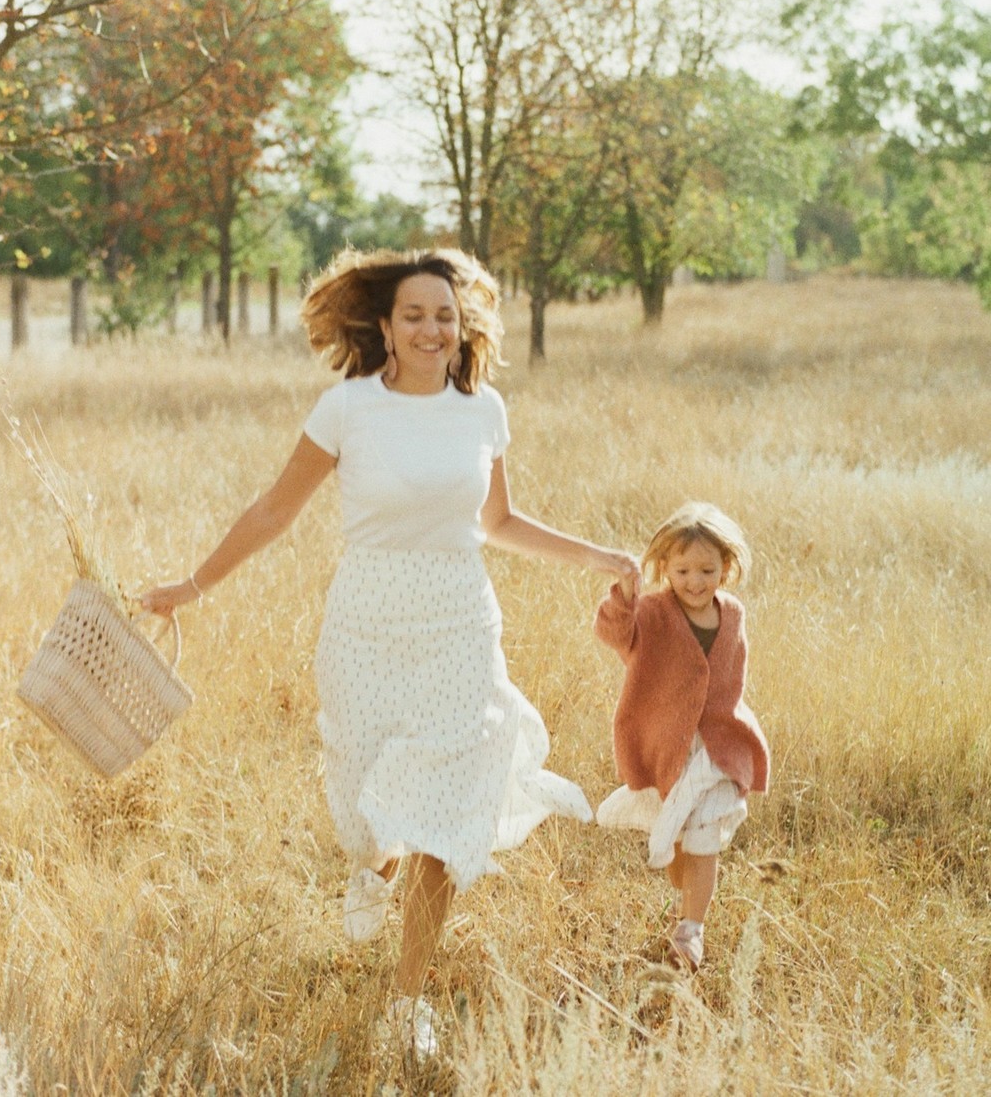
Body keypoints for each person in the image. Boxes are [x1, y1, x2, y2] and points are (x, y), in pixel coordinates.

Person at [140, 246, 640, 1060]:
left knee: (441, 807)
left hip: (458, 621)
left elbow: (499, 522)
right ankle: (373, 863)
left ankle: (407, 1001)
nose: (431, 328)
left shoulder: (483, 411)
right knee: (363, 808)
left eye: (444, 314)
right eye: (414, 314)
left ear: (460, 323)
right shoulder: (347, 409)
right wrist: (190, 586)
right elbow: (273, 510)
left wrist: (599, 556)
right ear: (385, 325)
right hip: (365, 621)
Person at [592, 501, 769, 972]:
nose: (695, 581)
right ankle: (682, 894)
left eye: (707, 570)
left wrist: (729, 735)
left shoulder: (732, 614)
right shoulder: (652, 612)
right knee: (675, 849)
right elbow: (615, 635)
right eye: (684, 569)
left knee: (704, 834)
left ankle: (692, 931)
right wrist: (623, 598)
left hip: (715, 748)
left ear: (726, 569)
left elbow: (733, 676)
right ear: (665, 567)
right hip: (668, 746)